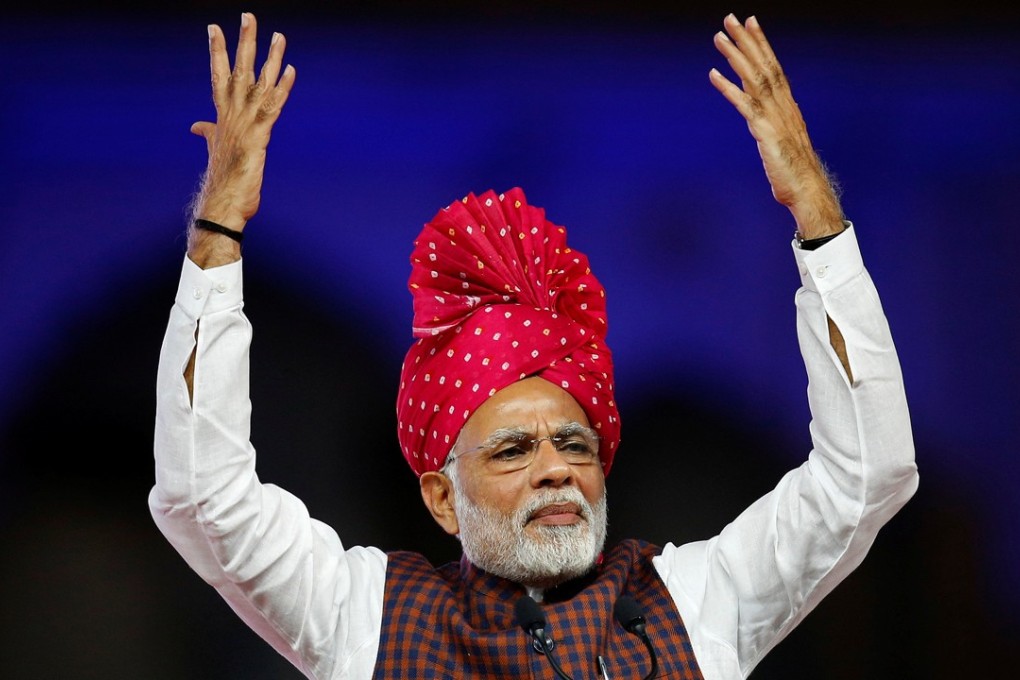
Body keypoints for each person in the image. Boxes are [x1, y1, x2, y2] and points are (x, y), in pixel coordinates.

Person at [150, 11, 918, 680]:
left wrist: (815, 209)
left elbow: (867, 475)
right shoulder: (364, 618)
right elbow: (201, 498)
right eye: (513, 451)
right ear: (442, 498)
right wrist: (218, 226)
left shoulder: (693, 603)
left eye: (576, 446)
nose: (556, 469)